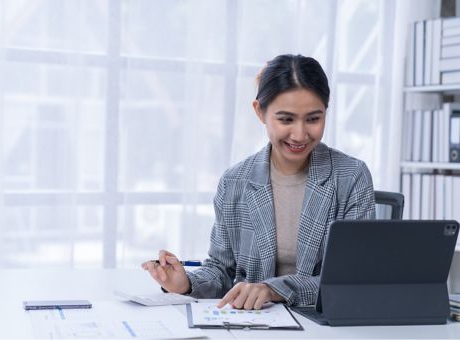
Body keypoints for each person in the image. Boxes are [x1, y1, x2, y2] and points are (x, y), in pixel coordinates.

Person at [142, 54, 375, 310]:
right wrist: (185, 284)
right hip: (254, 323)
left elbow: (351, 279)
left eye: (313, 119)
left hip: (323, 323)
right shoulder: (235, 182)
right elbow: (221, 272)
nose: (299, 134)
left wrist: (273, 289)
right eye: (286, 119)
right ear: (260, 112)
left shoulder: (351, 176)